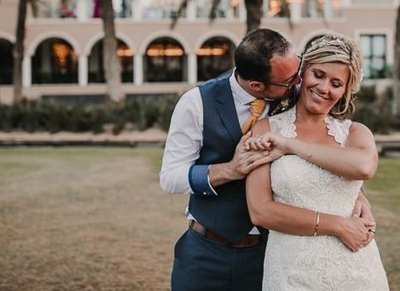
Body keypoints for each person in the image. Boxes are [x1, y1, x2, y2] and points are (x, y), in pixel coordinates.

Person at [160, 28, 376, 291]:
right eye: (291, 79)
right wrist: (229, 170)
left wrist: (355, 194)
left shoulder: (302, 94)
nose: (300, 82)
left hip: (269, 252)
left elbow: (327, 151)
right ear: (257, 86)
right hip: (207, 250)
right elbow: (170, 178)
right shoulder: (196, 103)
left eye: (300, 69)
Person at [245, 34, 389, 290]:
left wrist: (290, 145)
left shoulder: (355, 132)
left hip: (356, 270)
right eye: (319, 75)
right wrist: (338, 225)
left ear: (345, 91)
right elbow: (260, 211)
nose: (324, 88)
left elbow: (363, 167)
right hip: (291, 271)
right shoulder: (265, 129)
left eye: (336, 83)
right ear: (303, 73)